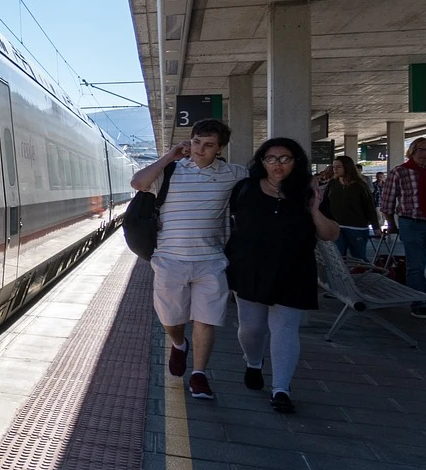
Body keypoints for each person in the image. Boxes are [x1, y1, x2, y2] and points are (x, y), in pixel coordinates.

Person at [129, 118, 245, 400]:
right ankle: (179, 344)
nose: (199, 149)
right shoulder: (170, 172)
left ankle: (199, 375)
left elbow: (262, 188)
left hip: (211, 260)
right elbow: (138, 182)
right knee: (171, 317)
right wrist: (169, 156)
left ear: (220, 149)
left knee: (206, 319)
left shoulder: (234, 174)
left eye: (208, 145)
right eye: (196, 142)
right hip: (170, 260)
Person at [225, 138, 340, 413]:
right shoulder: (245, 188)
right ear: (261, 162)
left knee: (285, 329)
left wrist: (314, 210)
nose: (278, 164)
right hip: (249, 268)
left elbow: (330, 234)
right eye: (271, 158)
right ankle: (254, 362)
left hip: (294, 269)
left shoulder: (310, 193)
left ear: (296, 161)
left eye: (285, 158)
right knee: (251, 328)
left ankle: (281, 389)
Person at [378, 136, 426, 317]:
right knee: (416, 265)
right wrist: (391, 223)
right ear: (412, 152)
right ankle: (419, 303)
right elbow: (387, 202)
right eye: (421, 150)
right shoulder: (400, 172)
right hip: (411, 223)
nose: (425, 154)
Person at [323, 155, 379, 260]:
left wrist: (376, 226)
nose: (335, 169)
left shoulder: (360, 185)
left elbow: (369, 206)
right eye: (334, 167)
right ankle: (341, 277)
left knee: (359, 258)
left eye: (338, 167)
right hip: (336, 226)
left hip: (357, 227)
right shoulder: (333, 184)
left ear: (347, 167)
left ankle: (364, 275)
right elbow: (325, 204)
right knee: (337, 258)